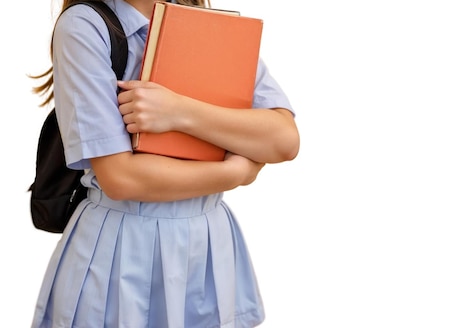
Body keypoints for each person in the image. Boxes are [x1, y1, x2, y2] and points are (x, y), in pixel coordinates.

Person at [29, 0, 299, 327]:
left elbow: (283, 139)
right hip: (124, 248)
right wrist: (235, 172)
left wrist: (178, 112)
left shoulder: (205, 24)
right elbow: (121, 178)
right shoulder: (86, 26)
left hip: (207, 245)